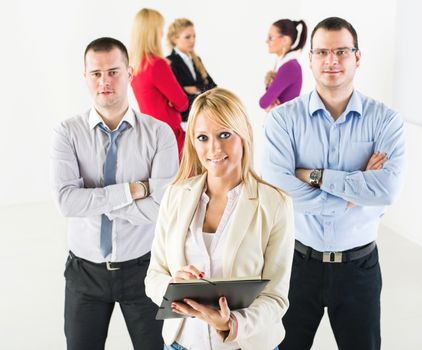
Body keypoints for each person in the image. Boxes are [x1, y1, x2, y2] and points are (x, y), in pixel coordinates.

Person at [261, 17, 406, 350]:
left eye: (342, 51)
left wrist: (312, 176)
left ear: (358, 57)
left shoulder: (386, 121)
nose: (332, 60)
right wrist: (356, 188)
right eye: (323, 52)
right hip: (296, 265)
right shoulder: (283, 120)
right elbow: (279, 189)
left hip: (359, 268)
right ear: (310, 59)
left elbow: (387, 190)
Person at [50, 37, 179, 350]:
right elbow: (67, 202)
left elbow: (163, 208)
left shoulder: (159, 133)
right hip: (85, 275)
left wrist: (94, 200)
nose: (104, 81)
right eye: (95, 73)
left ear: (130, 73)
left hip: (145, 271)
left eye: (113, 71)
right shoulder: (67, 133)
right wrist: (134, 190)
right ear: (85, 77)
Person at [144, 88, 295, 350]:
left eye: (224, 134)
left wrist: (231, 323)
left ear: (244, 133)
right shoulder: (175, 195)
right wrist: (174, 286)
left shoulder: (275, 203)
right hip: (181, 344)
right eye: (202, 137)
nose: (213, 148)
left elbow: (276, 297)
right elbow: (154, 276)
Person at [130, 8, 188, 155]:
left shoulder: (134, 67)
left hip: (151, 138)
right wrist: (171, 102)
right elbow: (182, 103)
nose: (162, 33)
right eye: (160, 29)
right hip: (172, 137)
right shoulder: (157, 65)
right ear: (153, 33)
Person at [167, 18, 217, 124]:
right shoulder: (169, 62)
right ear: (174, 39)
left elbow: (213, 87)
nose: (192, 40)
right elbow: (178, 96)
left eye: (194, 36)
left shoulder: (196, 59)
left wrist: (196, 88)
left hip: (204, 115)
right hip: (185, 120)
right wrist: (202, 89)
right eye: (187, 37)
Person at [259, 19, 307, 112]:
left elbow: (264, 102)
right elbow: (267, 102)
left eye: (271, 37)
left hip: (285, 124)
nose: (267, 41)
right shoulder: (284, 64)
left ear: (285, 40)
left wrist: (270, 102)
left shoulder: (290, 67)